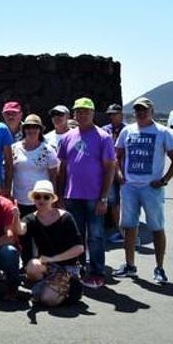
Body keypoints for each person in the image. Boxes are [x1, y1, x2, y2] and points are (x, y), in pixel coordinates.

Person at [113, 97, 173, 283]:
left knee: (157, 227)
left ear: (151, 110)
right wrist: (120, 176)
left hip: (151, 189)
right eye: (137, 110)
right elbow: (116, 156)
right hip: (130, 188)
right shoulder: (127, 131)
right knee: (129, 227)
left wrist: (164, 180)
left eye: (144, 109)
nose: (140, 113)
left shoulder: (163, 132)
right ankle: (130, 265)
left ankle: (159, 268)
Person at [57, 97, 116, 289]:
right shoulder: (67, 137)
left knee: (96, 236)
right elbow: (62, 167)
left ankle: (97, 272)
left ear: (93, 113)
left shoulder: (103, 137)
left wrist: (104, 197)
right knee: (77, 236)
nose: (81, 115)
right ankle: (79, 269)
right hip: (72, 195)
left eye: (86, 111)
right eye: (78, 111)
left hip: (94, 196)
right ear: (74, 114)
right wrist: (59, 195)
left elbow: (109, 168)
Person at [18, 180, 85, 307]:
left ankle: (71, 287)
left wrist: (52, 258)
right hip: (48, 265)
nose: (41, 200)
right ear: (33, 199)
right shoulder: (31, 218)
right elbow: (20, 230)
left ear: (52, 199)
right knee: (32, 266)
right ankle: (47, 288)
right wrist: (15, 215)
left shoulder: (66, 217)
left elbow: (79, 248)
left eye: (46, 197)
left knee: (47, 300)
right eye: (38, 197)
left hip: (67, 266)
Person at [11, 114, 59, 266]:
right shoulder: (15, 148)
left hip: (41, 200)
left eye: (35, 127)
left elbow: (53, 176)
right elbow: (9, 172)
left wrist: (54, 198)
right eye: (28, 127)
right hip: (20, 198)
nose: (31, 130)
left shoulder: (48, 150)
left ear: (40, 130)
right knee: (24, 236)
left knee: (43, 235)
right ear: (24, 130)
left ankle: (44, 267)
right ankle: (27, 266)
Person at [103, 104, 127, 243]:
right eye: (110, 114)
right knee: (113, 202)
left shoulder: (127, 130)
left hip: (126, 171)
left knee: (127, 203)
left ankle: (129, 232)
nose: (112, 116)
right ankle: (120, 231)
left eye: (115, 114)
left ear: (121, 115)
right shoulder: (105, 130)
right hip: (110, 171)